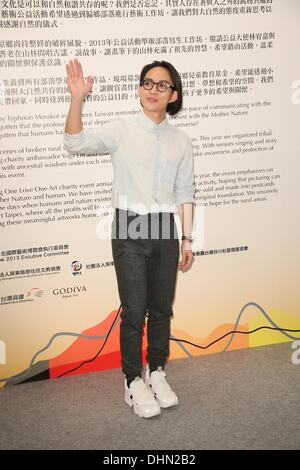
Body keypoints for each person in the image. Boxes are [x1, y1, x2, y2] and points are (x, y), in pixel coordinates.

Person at [63, 58, 195, 418]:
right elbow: (74, 143)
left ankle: (156, 371)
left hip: (166, 229)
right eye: (147, 83)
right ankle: (132, 380)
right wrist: (77, 99)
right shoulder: (121, 128)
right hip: (130, 226)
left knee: (162, 309)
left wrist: (187, 239)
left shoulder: (181, 141)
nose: (153, 90)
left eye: (162, 85)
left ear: (173, 95)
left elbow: (185, 192)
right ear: (139, 89)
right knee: (134, 310)